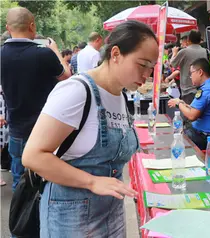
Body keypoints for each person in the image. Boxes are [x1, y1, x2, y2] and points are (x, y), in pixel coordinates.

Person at [22, 20, 158, 237]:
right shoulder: (76, 91)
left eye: (152, 67)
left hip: (111, 212)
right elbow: (33, 156)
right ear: (115, 54)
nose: (147, 75)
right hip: (70, 215)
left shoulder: (121, 95)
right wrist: (92, 181)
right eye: (142, 64)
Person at [1, 7, 71, 190]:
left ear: (8, 28)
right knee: (45, 180)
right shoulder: (44, 54)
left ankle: (19, 216)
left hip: (16, 127)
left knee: (19, 181)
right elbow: (67, 76)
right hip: (45, 129)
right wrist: (55, 50)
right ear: (32, 26)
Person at [168, 58, 210, 150]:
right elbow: (195, 109)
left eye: (191, 73)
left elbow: (192, 115)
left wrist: (179, 103)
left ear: (200, 72)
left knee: (175, 141)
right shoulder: (209, 86)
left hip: (208, 138)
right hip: (204, 134)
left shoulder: (207, 90)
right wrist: (183, 104)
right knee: (176, 135)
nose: (190, 76)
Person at [170, 30, 209, 105]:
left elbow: (172, 64)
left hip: (188, 90)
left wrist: (174, 53)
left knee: (189, 113)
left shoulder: (184, 52)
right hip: (203, 88)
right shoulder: (206, 51)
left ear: (188, 40)